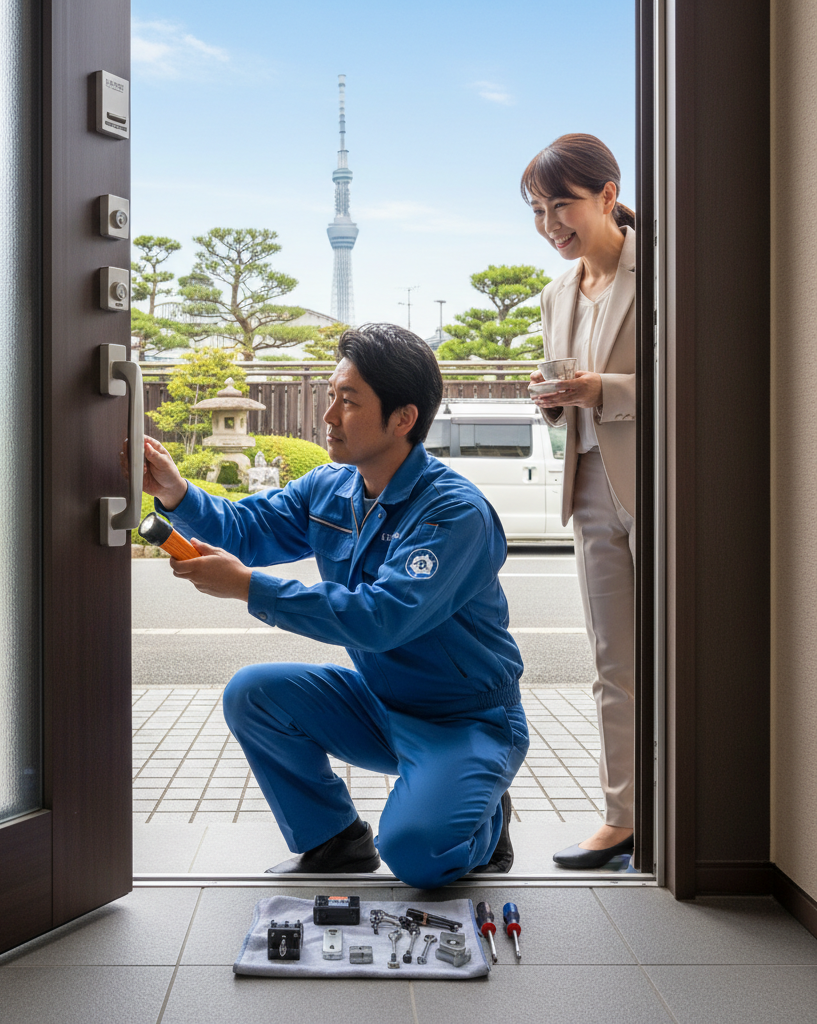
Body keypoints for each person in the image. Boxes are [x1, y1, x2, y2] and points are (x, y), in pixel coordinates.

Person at [139, 324, 529, 889]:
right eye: (330, 397)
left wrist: (250, 587)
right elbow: (247, 527)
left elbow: (381, 618)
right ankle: (336, 841)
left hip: (465, 718)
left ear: (403, 418)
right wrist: (176, 493)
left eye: (348, 402)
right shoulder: (331, 487)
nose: (328, 417)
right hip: (380, 703)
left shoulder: (452, 512)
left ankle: (487, 818)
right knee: (254, 693)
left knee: (418, 856)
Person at [522, 134, 637, 869]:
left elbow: (702, 374)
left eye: (559, 204)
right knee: (613, 659)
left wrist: (607, 391)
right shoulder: (555, 293)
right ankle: (624, 816)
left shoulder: (662, 272)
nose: (550, 224)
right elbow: (566, 401)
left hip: (665, 480)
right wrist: (555, 401)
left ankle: (689, 805)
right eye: (536, 211)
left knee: (683, 650)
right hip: (590, 484)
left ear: (607, 192)